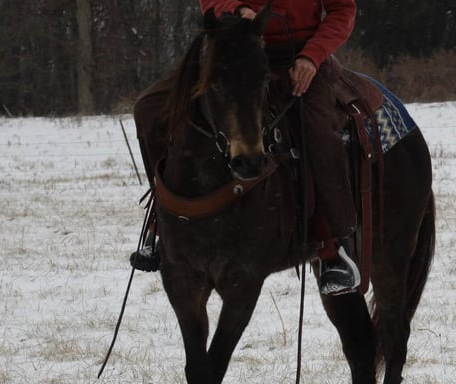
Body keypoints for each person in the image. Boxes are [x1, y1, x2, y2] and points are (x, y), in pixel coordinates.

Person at [132, 0, 360, 295]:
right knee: (149, 109)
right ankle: (163, 220)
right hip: (232, 50)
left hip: (298, 58)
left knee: (321, 136)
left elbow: (343, 10)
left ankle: (335, 248)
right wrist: (237, 9)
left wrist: (312, 57)